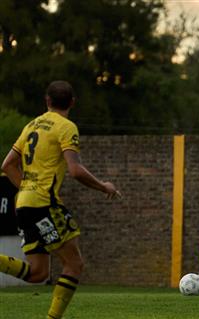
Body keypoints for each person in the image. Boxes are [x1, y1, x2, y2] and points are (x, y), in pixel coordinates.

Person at [0, 80, 121, 319]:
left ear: (47, 101)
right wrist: (103, 186)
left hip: (23, 203)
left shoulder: (31, 125)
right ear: (72, 102)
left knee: (38, 273)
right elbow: (75, 170)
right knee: (74, 264)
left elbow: (7, 165)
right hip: (44, 203)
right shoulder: (66, 127)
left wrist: (27, 188)